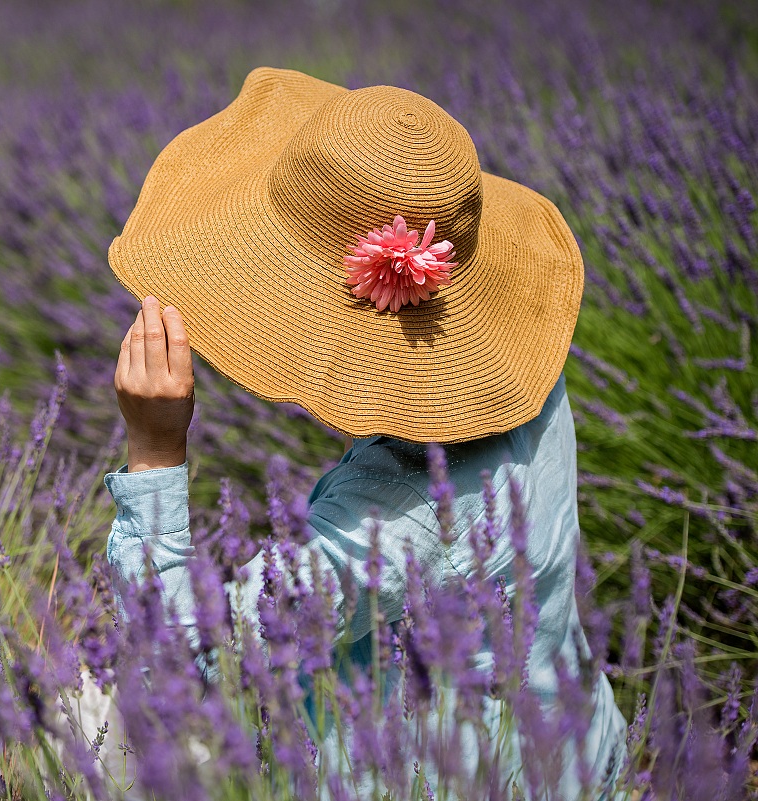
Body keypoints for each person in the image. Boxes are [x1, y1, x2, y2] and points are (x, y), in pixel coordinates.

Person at [100, 67, 628, 799]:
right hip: (572, 746)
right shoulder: (515, 373)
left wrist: (155, 452)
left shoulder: (385, 519)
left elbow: (182, 660)